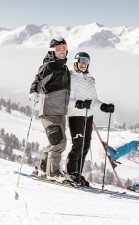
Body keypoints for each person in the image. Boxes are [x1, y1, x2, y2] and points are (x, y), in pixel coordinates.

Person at [66, 52, 115, 185]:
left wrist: (104, 106)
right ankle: (71, 172)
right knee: (78, 144)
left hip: (88, 116)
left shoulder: (90, 79)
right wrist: (80, 104)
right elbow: (67, 98)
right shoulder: (70, 77)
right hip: (75, 115)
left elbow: (93, 100)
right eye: (81, 61)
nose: (83, 64)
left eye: (86, 61)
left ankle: (78, 172)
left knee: (86, 145)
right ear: (76, 62)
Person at [29, 37, 70, 182]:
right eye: (59, 49)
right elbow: (37, 81)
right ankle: (53, 173)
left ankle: (43, 168)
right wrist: (33, 91)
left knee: (54, 141)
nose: (62, 52)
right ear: (52, 51)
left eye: (64, 48)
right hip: (49, 110)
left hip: (60, 111)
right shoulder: (49, 66)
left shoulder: (64, 68)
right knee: (59, 142)